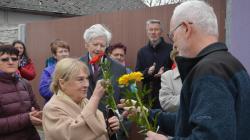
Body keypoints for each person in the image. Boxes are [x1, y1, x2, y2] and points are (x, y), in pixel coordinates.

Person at [122, 1, 250, 140]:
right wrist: (147, 114)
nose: (174, 44)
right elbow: (189, 120)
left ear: (186, 28)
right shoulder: (228, 63)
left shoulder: (209, 72)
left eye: (172, 35)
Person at [42, 58, 120, 140]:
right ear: (62, 83)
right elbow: (73, 135)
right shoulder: (52, 108)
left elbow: (95, 130)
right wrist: (95, 97)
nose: (86, 84)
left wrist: (109, 128)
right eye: (80, 79)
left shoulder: (84, 101)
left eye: (87, 79)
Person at [80, 24, 128, 140]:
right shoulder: (77, 66)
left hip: (109, 131)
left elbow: (124, 102)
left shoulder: (119, 69)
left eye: (102, 45)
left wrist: (119, 120)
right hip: (82, 128)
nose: (98, 48)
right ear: (86, 44)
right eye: (95, 44)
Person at [0, 45, 42, 140]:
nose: (10, 62)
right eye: (4, 59)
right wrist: (26, 118)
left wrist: (37, 114)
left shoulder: (24, 83)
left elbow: (35, 108)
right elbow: (27, 118)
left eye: (14, 59)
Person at [135, 19, 172, 109]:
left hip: (167, 97)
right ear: (147, 32)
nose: (153, 32)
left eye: (156, 29)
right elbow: (137, 74)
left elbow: (177, 70)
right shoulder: (142, 52)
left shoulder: (170, 49)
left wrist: (165, 72)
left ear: (161, 32)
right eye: (150, 30)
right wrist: (148, 72)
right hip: (147, 99)